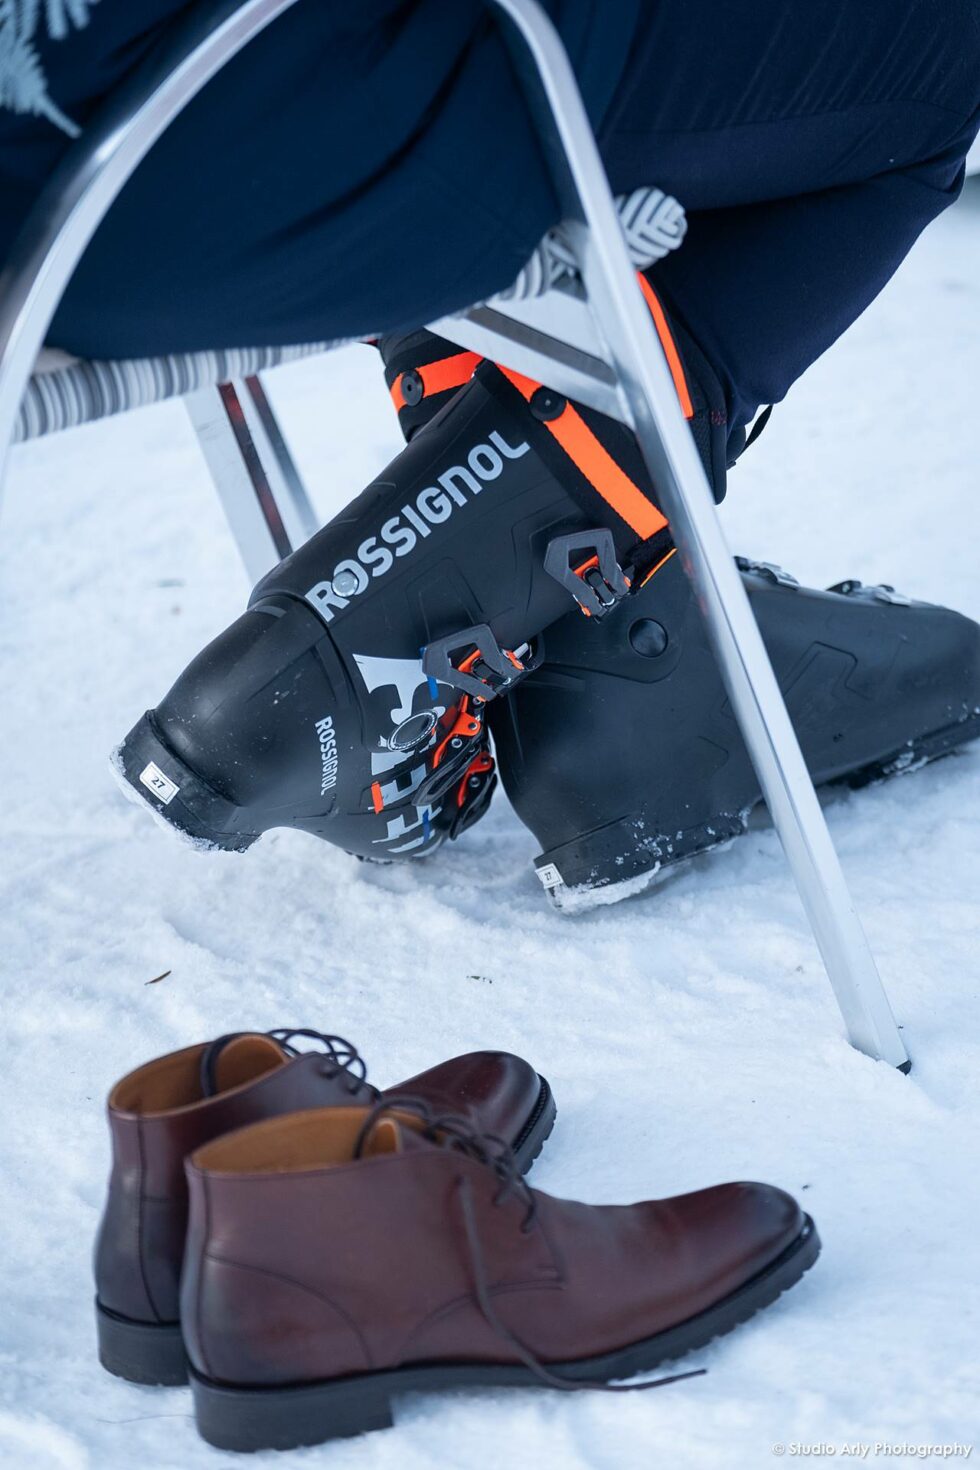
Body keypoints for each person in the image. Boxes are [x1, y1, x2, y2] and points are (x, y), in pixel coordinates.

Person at [6, 2, 980, 900]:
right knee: (933, 57)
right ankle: (338, 685)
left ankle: (614, 626)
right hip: (203, 142)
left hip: (52, 211)